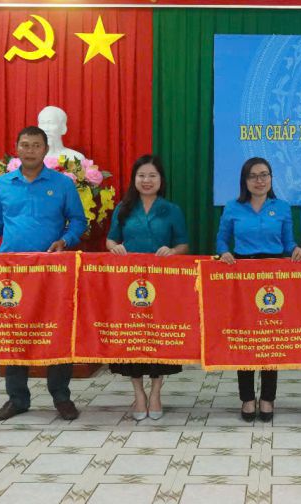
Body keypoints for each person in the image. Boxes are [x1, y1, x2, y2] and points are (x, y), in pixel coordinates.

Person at [0, 126, 87, 422]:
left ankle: (61, 396)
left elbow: (78, 221)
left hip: (51, 270)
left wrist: (65, 240)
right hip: (11, 273)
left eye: (36, 145)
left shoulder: (62, 184)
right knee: (14, 334)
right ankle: (17, 399)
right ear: (17, 148)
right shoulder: (3, 184)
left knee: (57, 330)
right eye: (25, 145)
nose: (30, 150)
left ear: (45, 149)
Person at [216, 157, 301, 423]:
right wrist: (224, 252)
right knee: (245, 336)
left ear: (271, 178)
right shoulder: (233, 207)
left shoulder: (281, 207)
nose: (260, 180)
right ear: (245, 181)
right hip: (243, 273)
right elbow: (222, 239)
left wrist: (296, 250)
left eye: (264, 175)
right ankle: (247, 398)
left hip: (274, 273)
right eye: (254, 176)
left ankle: (267, 398)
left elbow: (288, 242)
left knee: (270, 337)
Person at [106, 155, 189, 421]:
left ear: (161, 180)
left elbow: (184, 245)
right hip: (129, 283)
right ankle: (138, 393)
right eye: (142, 175)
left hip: (162, 284)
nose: (147, 180)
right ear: (134, 179)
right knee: (133, 337)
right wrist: (115, 247)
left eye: (152, 175)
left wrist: (172, 251)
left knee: (159, 338)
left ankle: (156, 392)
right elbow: (110, 240)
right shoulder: (124, 208)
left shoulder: (171, 209)